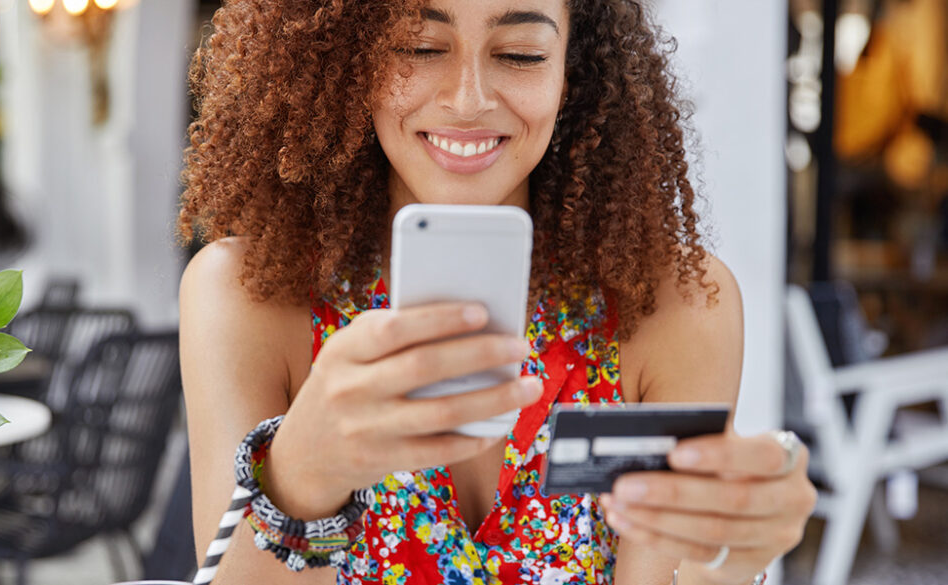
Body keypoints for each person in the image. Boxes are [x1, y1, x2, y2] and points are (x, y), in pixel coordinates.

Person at [178, 1, 818, 584]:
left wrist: (731, 557)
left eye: (520, 55)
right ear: (349, 57)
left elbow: (681, 565)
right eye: (419, 47)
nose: (468, 99)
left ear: (573, 71)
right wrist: (299, 479)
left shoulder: (674, 307)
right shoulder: (247, 297)